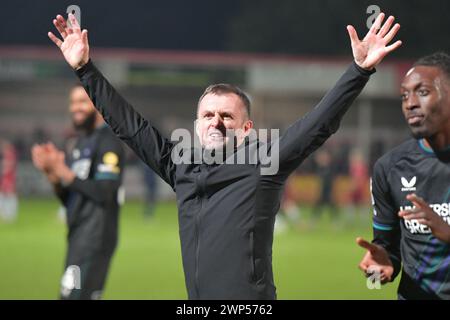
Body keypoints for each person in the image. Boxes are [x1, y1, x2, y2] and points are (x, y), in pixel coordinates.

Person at [48, 12, 401, 299]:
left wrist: (359, 72)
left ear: (246, 128)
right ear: (196, 124)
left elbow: (317, 125)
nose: (216, 122)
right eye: (208, 115)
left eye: (227, 116)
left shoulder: (265, 162)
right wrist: (85, 69)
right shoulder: (179, 164)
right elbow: (130, 126)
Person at [357, 52, 450, 300]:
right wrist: (381, 268)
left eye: (422, 92)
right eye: (404, 95)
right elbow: (387, 248)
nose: (410, 103)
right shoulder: (389, 168)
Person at [31, 84, 125, 300]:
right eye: (73, 102)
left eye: (82, 101)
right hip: (77, 236)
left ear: (97, 103)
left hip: (96, 238)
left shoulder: (108, 142)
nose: (76, 108)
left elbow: (105, 192)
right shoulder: (79, 143)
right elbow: (71, 198)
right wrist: (53, 175)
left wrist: (63, 171)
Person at [0, 139, 18, 222]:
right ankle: (6, 214)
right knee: (4, 195)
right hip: (6, 178)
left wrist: (5, 167)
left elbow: (9, 167)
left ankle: (10, 215)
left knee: (9, 196)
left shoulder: (10, 154)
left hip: (9, 179)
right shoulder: (8, 154)